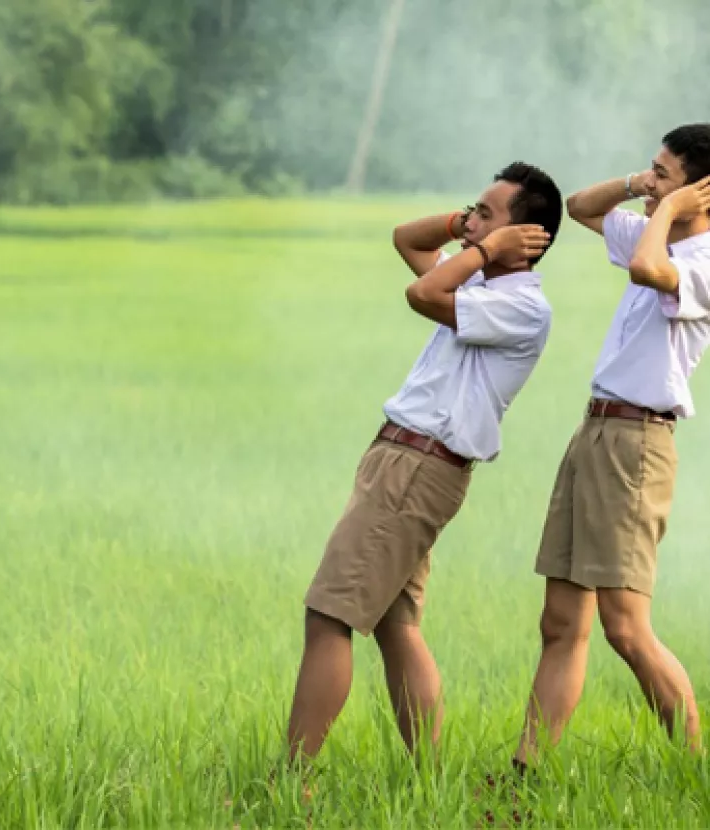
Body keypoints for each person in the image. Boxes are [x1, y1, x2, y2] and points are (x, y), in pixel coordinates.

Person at [285, 162, 563, 767]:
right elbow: (407, 240)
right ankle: (429, 779)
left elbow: (422, 293)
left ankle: (291, 780)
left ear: (524, 238)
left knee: (329, 615)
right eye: (473, 210)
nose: (470, 224)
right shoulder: (481, 284)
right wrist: (470, 227)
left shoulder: (520, 306)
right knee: (394, 625)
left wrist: (484, 248)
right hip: (406, 461)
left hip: (416, 466)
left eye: (487, 213)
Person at [511, 124, 710, 773]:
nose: (650, 183)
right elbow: (580, 208)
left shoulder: (702, 259)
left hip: (637, 446)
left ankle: (692, 765)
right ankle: (527, 770)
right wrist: (643, 188)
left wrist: (673, 211)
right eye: (649, 170)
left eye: (664, 174)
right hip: (596, 431)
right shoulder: (656, 224)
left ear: (700, 195)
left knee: (624, 627)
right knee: (560, 622)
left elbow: (646, 268)